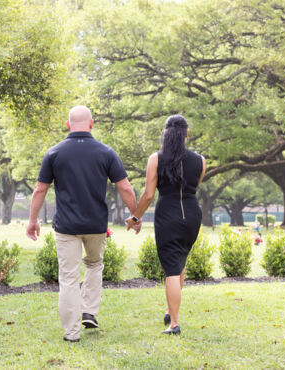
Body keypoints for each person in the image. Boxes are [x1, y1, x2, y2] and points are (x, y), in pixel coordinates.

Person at [26, 105, 140, 343]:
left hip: (66, 227)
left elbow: (39, 189)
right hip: (96, 225)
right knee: (94, 264)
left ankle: (72, 333)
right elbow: (125, 187)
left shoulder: (54, 153)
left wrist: (32, 220)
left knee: (68, 277)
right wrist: (135, 216)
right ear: (92, 123)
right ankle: (89, 310)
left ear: (68, 125)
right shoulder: (106, 152)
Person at [126, 114, 206, 335]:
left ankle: (175, 323)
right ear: (186, 134)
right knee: (179, 263)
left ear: (165, 134)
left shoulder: (156, 158)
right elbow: (194, 185)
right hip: (192, 216)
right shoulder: (200, 160)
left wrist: (135, 217)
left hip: (168, 216)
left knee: (171, 268)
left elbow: (149, 194)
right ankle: (171, 311)